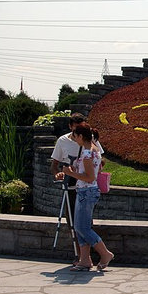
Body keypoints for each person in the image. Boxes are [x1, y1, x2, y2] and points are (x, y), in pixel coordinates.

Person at [55, 123, 114, 272]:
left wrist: (70, 173)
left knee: (82, 227)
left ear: (81, 136)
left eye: (75, 137)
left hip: (86, 192)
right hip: (85, 192)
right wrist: (75, 170)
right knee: (79, 226)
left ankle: (105, 254)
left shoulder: (88, 153)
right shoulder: (93, 150)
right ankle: (84, 260)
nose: (74, 140)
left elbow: (89, 177)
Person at [50, 113, 104, 264]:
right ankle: (83, 258)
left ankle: (100, 255)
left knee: (82, 224)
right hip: (74, 184)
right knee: (74, 222)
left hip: (84, 186)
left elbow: (93, 170)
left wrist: (74, 171)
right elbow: (54, 164)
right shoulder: (63, 141)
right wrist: (61, 174)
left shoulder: (89, 147)